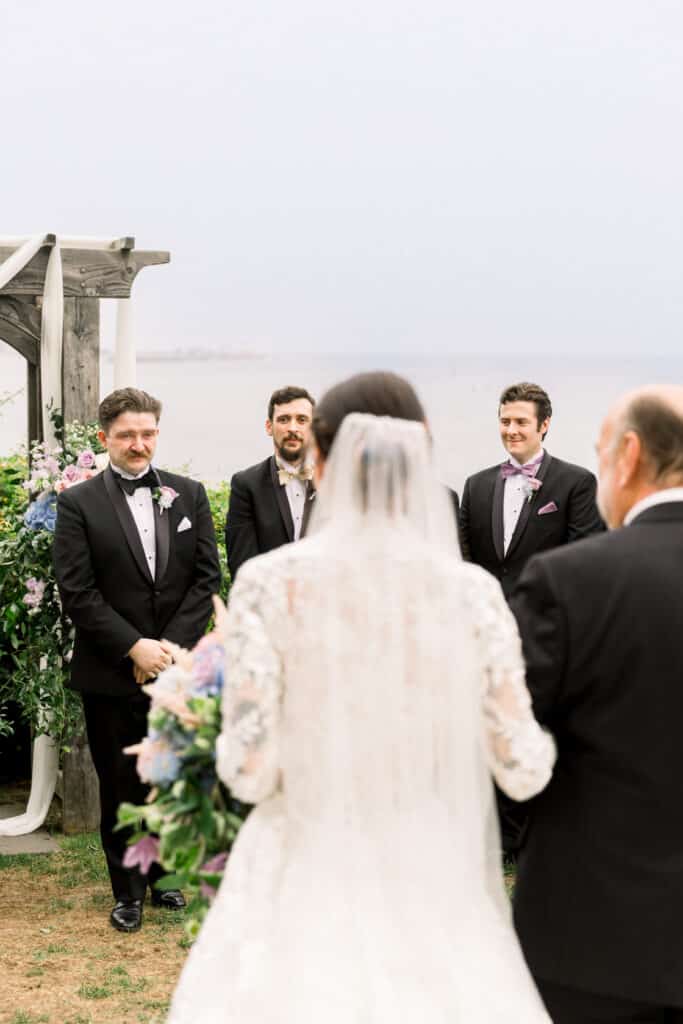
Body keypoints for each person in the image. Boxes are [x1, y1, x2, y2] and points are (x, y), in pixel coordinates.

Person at [167, 371, 555, 1023]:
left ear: (320, 459)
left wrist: (198, 717)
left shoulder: (270, 584)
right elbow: (522, 769)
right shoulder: (470, 595)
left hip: (301, 865)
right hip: (430, 868)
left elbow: (248, 770)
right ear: (420, 454)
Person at [510, 386, 683, 1023]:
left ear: (629, 455)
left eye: (600, 452)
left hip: (594, 941)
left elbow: (514, 744)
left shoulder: (569, 581)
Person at [53, 388, 221, 933]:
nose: (138, 444)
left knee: (170, 777)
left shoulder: (189, 495)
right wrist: (134, 647)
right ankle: (127, 891)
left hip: (175, 669)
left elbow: (206, 580)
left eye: (147, 433)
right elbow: (77, 592)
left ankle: (165, 876)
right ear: (104, 438)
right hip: (110, 670)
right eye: (127, 435)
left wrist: (166, 650)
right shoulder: (78, 504)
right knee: (121, 781)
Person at [460, 381, 603, 599]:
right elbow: (464, 556)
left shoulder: (578, 483)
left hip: (546, 611)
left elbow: (581, 560)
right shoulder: (475, 486)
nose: (511, 431)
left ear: (544, 425)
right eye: (505, 422)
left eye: (521, 422)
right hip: (486, 609)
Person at [225, 386, 316, 580]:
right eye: (284, 419)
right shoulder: (246, 484)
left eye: (302, 420)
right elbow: (242, 564)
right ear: (269, 427)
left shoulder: (334, 481)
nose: (293, 428)